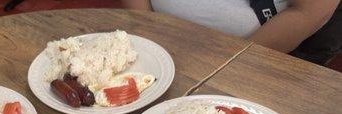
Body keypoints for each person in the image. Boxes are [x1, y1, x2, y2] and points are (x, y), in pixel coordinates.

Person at [121, 0, 339, 55]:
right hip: (149, 37)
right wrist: (146, 33)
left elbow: (309, 12)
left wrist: (228, 64)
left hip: (249, 59)